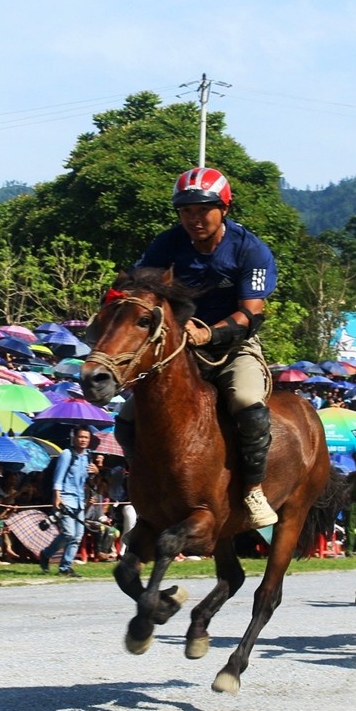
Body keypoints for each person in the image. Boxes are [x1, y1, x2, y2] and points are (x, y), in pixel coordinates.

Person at [123, 167, 279, 529]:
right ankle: (147, 486)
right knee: (128, 419)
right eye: (185, 210)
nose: (193, 218)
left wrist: (210, 333)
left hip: (233, 347)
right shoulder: (167, 244)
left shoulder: (249, 249)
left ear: (223, 208)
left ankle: (253, 491)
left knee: (246, 403)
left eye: (202, 209)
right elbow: (139, 288)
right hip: (180, 349)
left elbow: (251, 314)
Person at [40, 427, 96, 576]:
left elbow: (86, 481)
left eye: (86, 437)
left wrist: (95, 472)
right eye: (81, 437)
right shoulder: (66, 454)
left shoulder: (88, 457)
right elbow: (58, 477)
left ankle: (65, 567)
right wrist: (57, 496)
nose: (83, 440)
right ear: (74, 438)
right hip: (66, 498)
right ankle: (46, 554)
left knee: (78, 536)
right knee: (69, 533)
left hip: (79, 500)